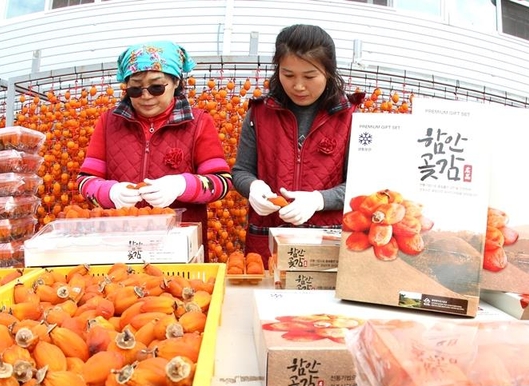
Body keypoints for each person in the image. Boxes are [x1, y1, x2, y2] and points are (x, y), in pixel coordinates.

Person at [76, 41, 232, 243]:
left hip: (180, 243)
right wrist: (110, 192)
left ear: (176, 82)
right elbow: (85, 180)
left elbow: (222, 182)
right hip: (119, 241)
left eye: (157, 87)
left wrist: (182, 185)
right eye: (135, 89)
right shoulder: (108, 123)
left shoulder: (199, 123)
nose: (146, 96)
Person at [232, 24, 362, 264]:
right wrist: (253, 187)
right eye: (288, 75)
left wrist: (319, 200)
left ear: (329, 72)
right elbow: (241, 171)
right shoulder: (260, 114)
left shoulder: (350, 118)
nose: (298, 86)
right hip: (267, 241)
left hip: (326, 244)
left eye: (310, 76)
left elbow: (361, 185)